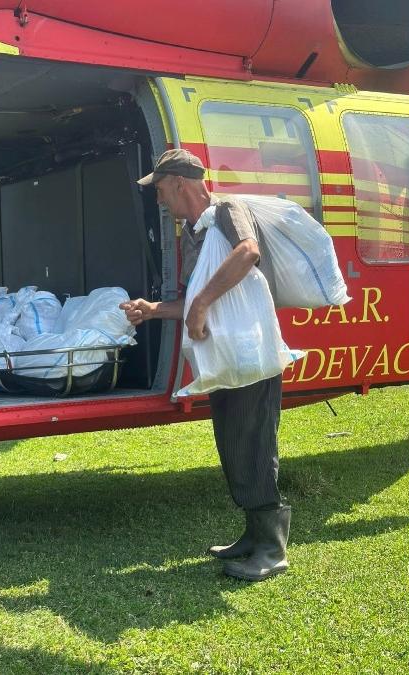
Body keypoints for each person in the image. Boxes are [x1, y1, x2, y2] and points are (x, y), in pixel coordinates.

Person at [122, 148, 288, 582]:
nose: (159, 200)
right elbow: (191, 300)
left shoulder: (228, 211)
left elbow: (248, 252)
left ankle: (272, 549)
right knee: (233, 444)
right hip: (225, 359)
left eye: (160, 190)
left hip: (251, 355)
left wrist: (201, 304)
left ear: (179, 183)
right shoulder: (192, 234)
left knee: (255, 444)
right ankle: (254, 535)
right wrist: (153, 310)